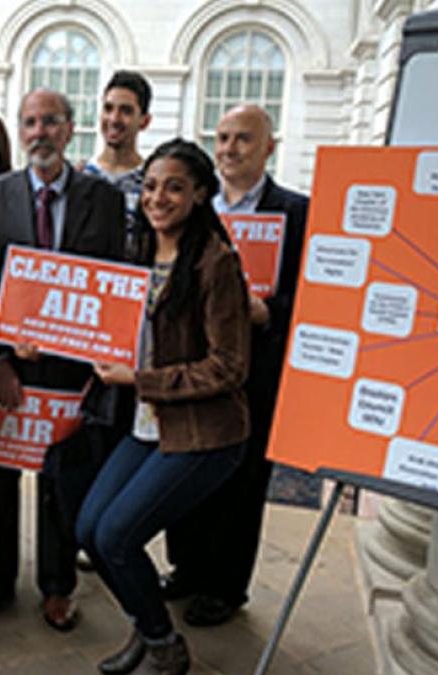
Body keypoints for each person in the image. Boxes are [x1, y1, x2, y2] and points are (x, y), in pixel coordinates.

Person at [77, 138, 251, 675]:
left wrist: (141, 378)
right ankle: (148, 625)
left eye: (174, 186)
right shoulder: (138, 253)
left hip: (202, 433)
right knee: (88, 532)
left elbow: (228, 367)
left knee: (116, 535)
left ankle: (163, 644)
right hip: (147, 422)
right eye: (151, 186)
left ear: (200, 194)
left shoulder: (216, 263)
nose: (158, 197)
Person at [0, 89, 124, 630]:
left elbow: (111, 283)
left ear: (69, 128)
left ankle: (58, 587)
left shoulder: (103, 200)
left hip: (71, 371)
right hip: (7, 368)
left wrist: (95, 360)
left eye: (50, 122)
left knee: (63, 480)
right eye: (30, 122)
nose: (39, 132)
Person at [161, 104, 310, 626]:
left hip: (257, 367)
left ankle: (226, 586)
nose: (230, 149)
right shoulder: (197, 205)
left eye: (244, 139)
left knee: (242, 479)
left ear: (269, 147)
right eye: (222, 138)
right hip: (192, 363)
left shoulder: (297, 212)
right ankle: (186, 568)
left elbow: (315, 294)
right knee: (184, 462)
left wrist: (269, 311)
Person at [80, 70, 152, 259]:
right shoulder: (80, 176)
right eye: (108, 108)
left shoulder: (151, 183)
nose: (114, 119)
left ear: (145, 121)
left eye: (126, 111)